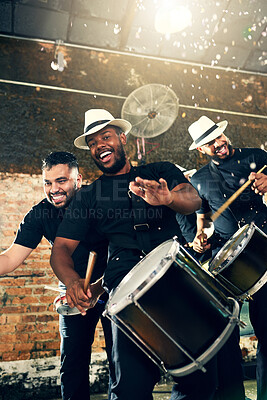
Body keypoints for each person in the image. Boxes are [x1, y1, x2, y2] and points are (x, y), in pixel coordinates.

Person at [50, 109, 245, 400]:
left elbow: (191, 201)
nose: (100, 144)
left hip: (176, 274)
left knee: (200, 380)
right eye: (92, 142)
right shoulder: (89, 196)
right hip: (124, 288)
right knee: (130, 387)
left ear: (122, 138)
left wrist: (169, 198)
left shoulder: (160, 171)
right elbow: (61, 250)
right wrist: (73, 280)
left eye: (106, 136)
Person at [0, 151, 114, 400]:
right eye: (47, 182)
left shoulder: (98, 201)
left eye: (61, 180)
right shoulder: (39, 214)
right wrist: (73, 284)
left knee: (121, 359)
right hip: (72, 289)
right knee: (72, 364)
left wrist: (99, 286)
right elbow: (9, 259)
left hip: (112, 284)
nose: (54, 189)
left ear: (78, 179)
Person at [187, 115, 267, 400]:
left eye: (218, 137)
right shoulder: (199, 179)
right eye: (209, 143)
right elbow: (203, 218)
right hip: (230, 263)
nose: (218, 144)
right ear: (201, 149)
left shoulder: (258, 157)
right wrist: (200, 237)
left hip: (264, 251)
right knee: (230, 335)